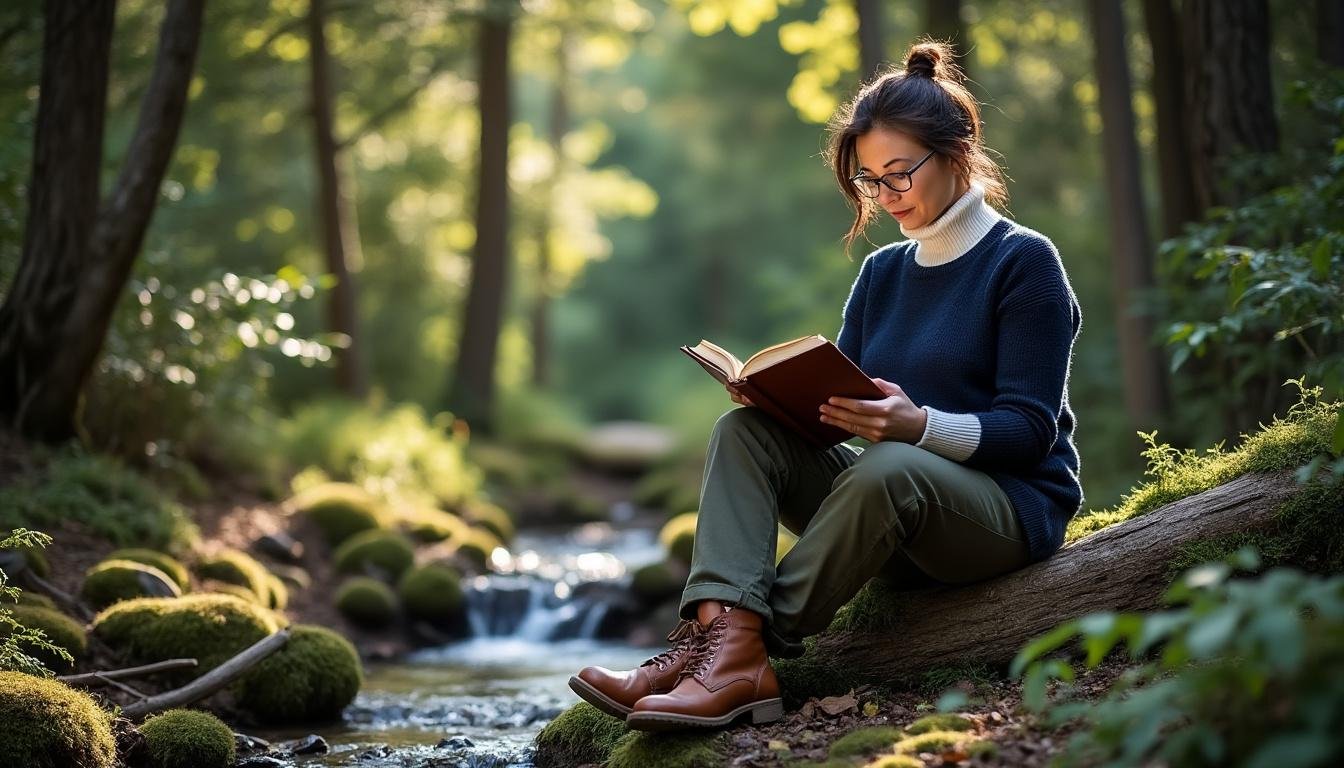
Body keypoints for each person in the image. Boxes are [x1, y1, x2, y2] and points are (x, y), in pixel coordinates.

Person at [569, 39, 1083, 733]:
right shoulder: (884, 274)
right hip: (887, 518)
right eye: (871, 180)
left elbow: (1030, 432)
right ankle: (713, 646)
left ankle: (732, 657)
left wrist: (917, 425)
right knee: (744, 434)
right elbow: (842, 410)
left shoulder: (1024, 262)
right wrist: (781, 406)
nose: (885, 196)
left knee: (895, 465)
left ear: (958, 153)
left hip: (1002, 516)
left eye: (899, 174)